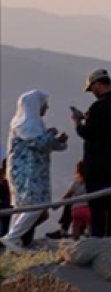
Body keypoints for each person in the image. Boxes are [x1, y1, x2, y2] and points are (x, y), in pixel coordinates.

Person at [71, 68, 111, 237]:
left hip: (95, 163)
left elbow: (87, 133)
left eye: (93, 89)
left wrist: (78, 123)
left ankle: (98, 238)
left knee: (96, 204)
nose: (93, 93)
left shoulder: (97, 107)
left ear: (98, 84)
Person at [4, 91, 68, 252]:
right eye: (44, 104)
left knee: (25, 206)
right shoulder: (26, 123)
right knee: (37, 205)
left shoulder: (34, 123)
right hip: (27, 173)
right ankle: (11, 237)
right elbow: (39, 143)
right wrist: (52, 134)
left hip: (34, 171)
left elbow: (45, 144)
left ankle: (13, 240)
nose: (46, 107)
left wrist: (58, 142)